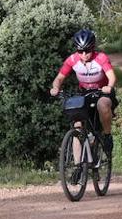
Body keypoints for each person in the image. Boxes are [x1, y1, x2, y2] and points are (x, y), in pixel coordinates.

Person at [49, 29, 117, 159]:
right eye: (80, 51)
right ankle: (77, 167)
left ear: (93, 48)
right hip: (84, 93)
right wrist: (55, 88)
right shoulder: (72, 59)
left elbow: (112, 77)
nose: (84, 54)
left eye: (87, 50)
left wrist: (109, 86)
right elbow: (59, 78)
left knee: (103, 104)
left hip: (102, 92)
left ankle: (107, 136)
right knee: (77, 126)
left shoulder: (101, 58)